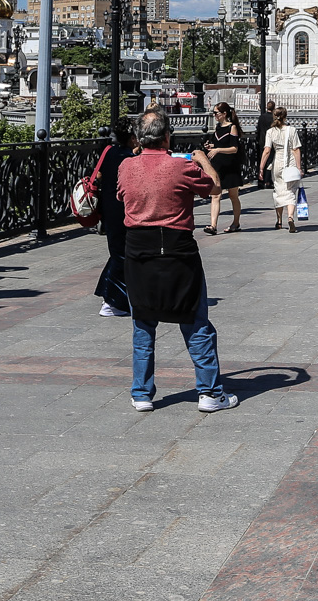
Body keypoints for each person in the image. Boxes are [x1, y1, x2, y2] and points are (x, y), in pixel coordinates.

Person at [119, 109, 237, 413]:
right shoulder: (181, 167)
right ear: (168, 137)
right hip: (177, 250)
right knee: (195, 321)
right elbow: (214, 188)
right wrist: (203, 161)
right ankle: (210, 391)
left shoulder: (126, 167)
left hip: (138, 250)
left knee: (143, 322)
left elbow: (122, 196)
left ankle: (141, 393)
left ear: (139, 139)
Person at [95, 117, 136, 316]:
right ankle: (112, 301)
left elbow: (98, 176)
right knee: (122, 254)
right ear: (132, 138)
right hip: (123, 209)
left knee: (118, 252)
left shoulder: (109, 151)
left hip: (107, 208)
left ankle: (111, 297)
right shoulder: (129, 159)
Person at [259, 105, 305, 232]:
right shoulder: (292, 130)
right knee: (290, 191)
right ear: (285, 117)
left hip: (277, 163)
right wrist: (299, 167)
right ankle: (290, 217)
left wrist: (261, 168)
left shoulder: (270, 132)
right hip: (290, 163)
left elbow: (267, 150)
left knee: (279, 191)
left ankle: (279, 221)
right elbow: (296, 149)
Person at [202, 102, 245, 235]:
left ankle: (236, 222)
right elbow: (218, 143)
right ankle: (213, 225)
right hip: (217, 166)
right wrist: (211, 146)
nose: (214, 115)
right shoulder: (218, 127)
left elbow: (234, 148)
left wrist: (218, 149)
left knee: (233, 195)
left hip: (230, 166)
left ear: (224, 114)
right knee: (216, 194)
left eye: (216, 113)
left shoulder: (232, 128)